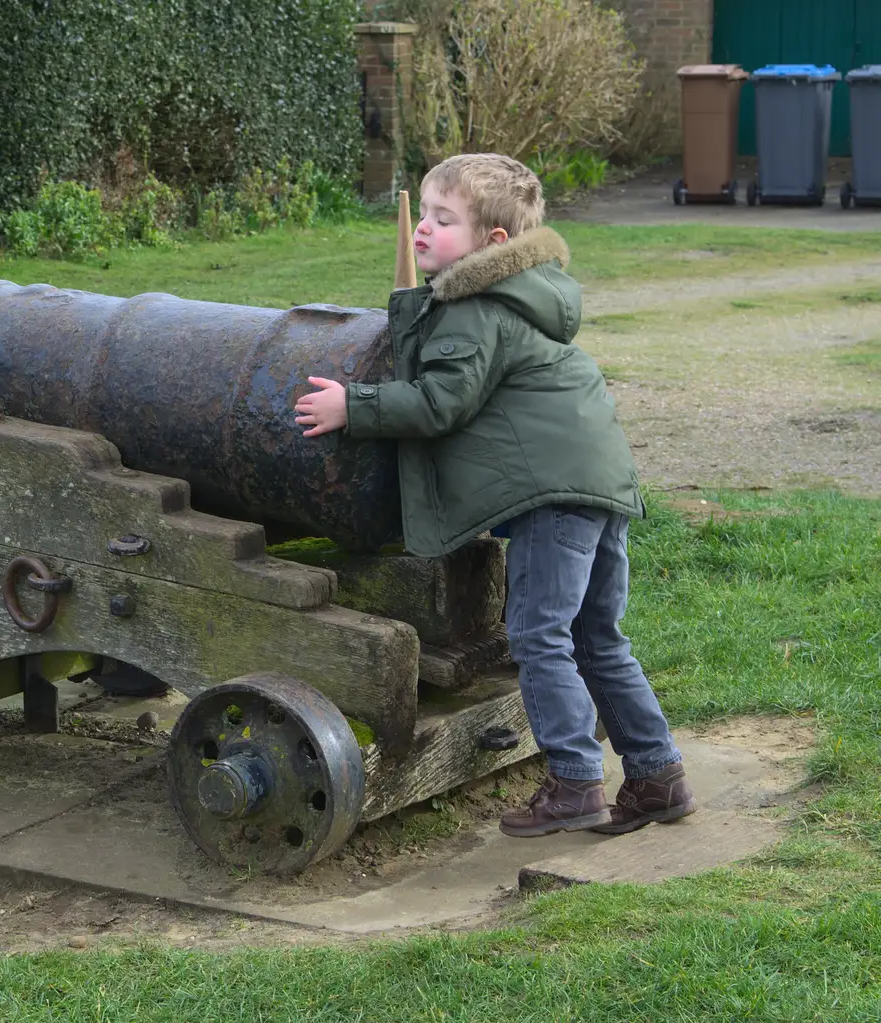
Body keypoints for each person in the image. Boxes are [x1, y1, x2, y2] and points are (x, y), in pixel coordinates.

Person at [293, 153, 695, 837]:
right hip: (599, 481)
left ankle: (574, 782)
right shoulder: (523, 297)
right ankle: (657, 776)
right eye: (423, 214)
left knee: (539, 634)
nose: (422, 229)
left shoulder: (475, 308)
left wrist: (352, 406)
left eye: (443, 220)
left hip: (553, 493)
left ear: (493, 243)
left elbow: (441, 401)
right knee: (596, 635)